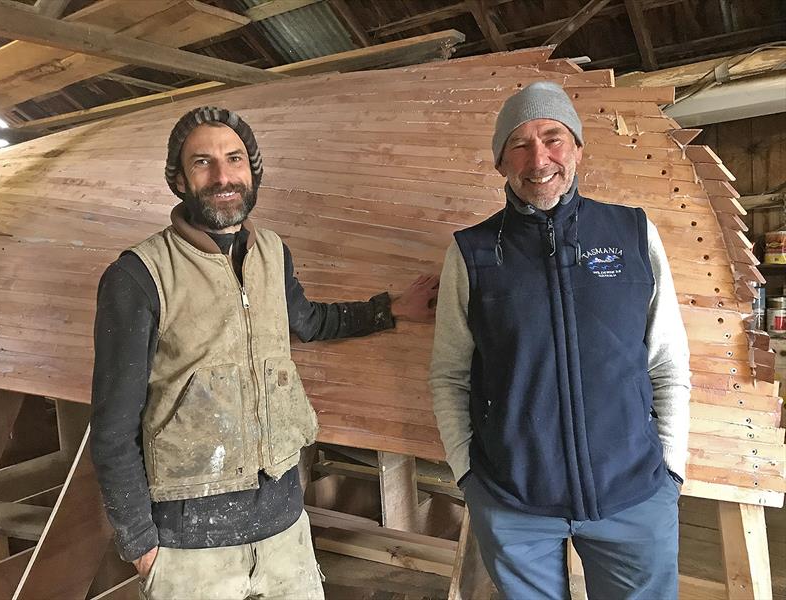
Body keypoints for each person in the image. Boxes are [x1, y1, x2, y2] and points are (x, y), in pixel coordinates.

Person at [90, 106, 439, 600]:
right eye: (202, 163)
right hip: (190, 545)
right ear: (178, 180)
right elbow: (111, 427)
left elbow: (309, 321)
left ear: (253, 170)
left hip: (283, 525)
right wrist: (140, 544)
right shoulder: (138, 276)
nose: (222, 176)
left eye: (234, 159)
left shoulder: (271, 252)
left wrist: (391, 309)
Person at [429, 82, 690, 599]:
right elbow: (451, 373)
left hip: (634, 498)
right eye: (519, 145)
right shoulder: (473, 253)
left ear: (576, 147)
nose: (539, 158)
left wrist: (671, 471)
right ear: (500, 162)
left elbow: (667, 362)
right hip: (514, 505)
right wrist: (469, 476)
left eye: (553, 138)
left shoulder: (633, 233)